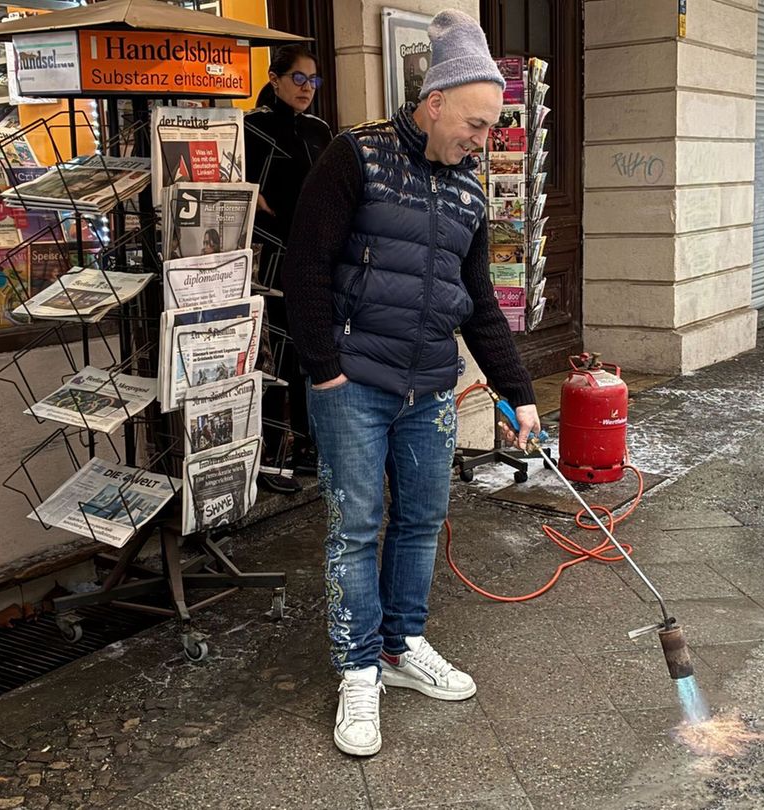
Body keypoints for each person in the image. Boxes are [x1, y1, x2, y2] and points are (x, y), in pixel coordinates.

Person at [282, 10, 541, 757]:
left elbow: (481, 303)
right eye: (476, 123)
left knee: (421, 522)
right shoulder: (353, 156)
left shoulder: (468, 191)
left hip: (428, 385)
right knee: (356, 529)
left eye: (492, 128)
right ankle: (358, 669)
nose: (483, 139)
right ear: (435, 102)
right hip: (354, 385)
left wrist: (518, 391)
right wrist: (325, 370)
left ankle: (401, 647)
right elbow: (304, 269)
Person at [246, 44, 333, 495]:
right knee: (273, 352)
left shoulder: (319, 130)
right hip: (272, 255)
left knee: (310, 348)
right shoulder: (252, 127)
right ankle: (272, 451)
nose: (306, 89)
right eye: (298, 78)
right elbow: (241, 192)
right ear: (275, 77)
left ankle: (307, 446)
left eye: (313, 81)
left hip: (317, 256)